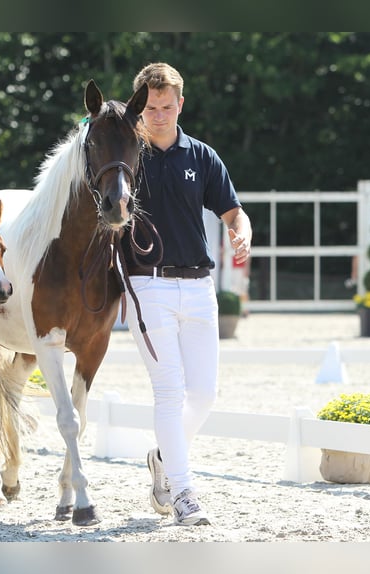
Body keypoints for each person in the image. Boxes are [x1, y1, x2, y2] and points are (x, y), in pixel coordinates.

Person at [121, 63, 252, 526]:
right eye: (150, 107)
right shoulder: (124, 154)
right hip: (146, 284)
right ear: (140, 106)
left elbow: (234, 211)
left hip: (199, 286)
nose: (158, 115)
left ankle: (161, 457)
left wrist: (243, 233)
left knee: (205, 394)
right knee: (170, 393)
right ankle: (183, 491)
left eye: (166, 106)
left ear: (181, 104)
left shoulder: (201, 155)